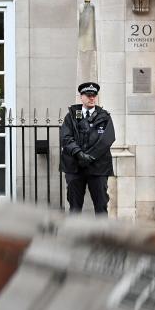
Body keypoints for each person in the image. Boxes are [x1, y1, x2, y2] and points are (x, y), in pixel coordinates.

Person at [60, 82, 116, 215]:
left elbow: (107, 139)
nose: (92, 98)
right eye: (88, 95)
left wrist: (89, 157)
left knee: (101, 205)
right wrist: (79, 154)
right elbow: (66, 138)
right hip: (75, 167)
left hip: (98, 167)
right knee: (74, 206)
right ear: (81, 97)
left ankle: (102, 234)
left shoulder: (104, 117)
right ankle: (74, 233)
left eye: (94, 95)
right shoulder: (71, 116)